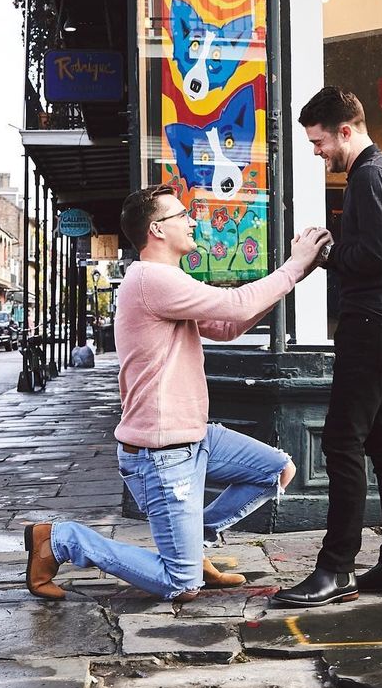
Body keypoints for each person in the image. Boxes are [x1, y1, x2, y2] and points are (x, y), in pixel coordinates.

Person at [24, 183, 330, 603]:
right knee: (180, 584)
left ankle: (193, 543)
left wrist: (298, 274)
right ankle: (60, 540)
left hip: (194, 436)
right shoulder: (151, 280)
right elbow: (237, 305)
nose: (192, 220)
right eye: (181, 215)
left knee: (276, 470)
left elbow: (228, 325)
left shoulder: (167, 280)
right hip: (160, 451)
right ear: (157, 230)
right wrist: (294, 267)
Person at [274, 87, 382, 608]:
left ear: (345, 130)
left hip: (373, 323)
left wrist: (321, 252)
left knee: (342, 443)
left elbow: (376, 257)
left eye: (318, 142)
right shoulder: (377, 174)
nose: (316, 152)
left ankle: (335, 570)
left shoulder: (367, 174)